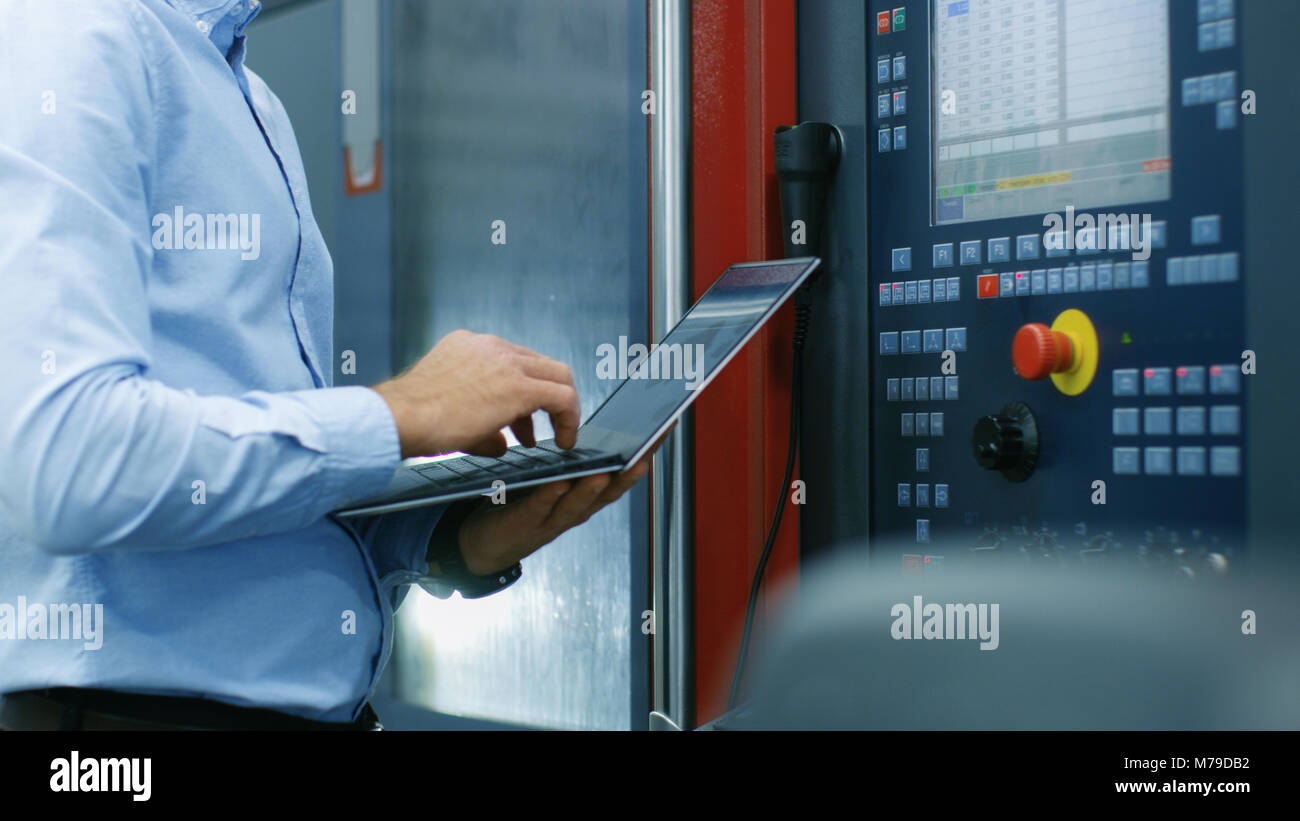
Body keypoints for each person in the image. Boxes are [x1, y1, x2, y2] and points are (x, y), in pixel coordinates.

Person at [0, 0, 650, 730]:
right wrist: (405, 412)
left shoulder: (248, 97)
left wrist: (447, 542)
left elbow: (254, 493)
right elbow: (68, 463)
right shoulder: (73, 30)